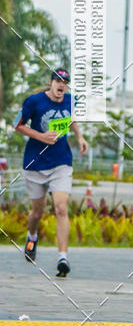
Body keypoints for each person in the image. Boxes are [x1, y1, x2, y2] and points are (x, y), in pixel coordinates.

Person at [15, 68, 88, 277]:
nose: (61, 85)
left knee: (61, 208)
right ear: (51, 82)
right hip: (35, 163)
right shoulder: (34, 101)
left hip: (61, 161)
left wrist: (80, 137)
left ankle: (62, 257)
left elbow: (71, 118)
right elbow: (17, 125)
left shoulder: (71, 100)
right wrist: (41, 136)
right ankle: (32, 236)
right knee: (37, 212)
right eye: (58, 80)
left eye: (65, 82)